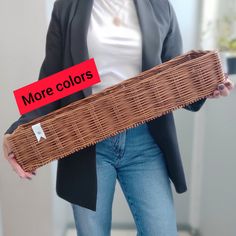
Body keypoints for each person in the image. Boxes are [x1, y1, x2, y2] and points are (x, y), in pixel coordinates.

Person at [2, 0, 234, 235]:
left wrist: (207, 88)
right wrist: (16, 131)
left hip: (145, 141)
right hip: (87, 143)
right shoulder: (68, 6)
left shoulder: (159, 5)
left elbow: (174, 73)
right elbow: (52, 81)